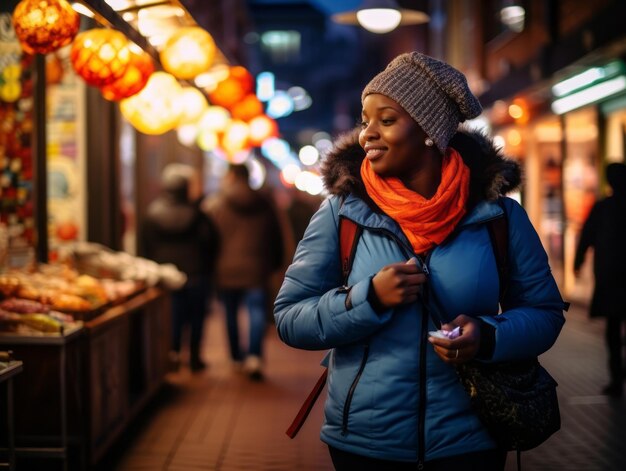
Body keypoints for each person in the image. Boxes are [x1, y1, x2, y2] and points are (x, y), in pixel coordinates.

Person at [274, 52, 567, 470]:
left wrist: (486, 336)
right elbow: (289, 317)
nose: (366, 135)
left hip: (470, 440)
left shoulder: (499, 217)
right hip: (366, 443)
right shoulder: (343, 214)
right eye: (364, 121)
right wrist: (368, 299)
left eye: (386, 120)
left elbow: (545, 313)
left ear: (430, 131)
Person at [203, 164, 284, 381]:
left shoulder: (217, 203)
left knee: (230, 313)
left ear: (231, 175)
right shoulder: (264, 202)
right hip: (257, 267)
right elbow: (275, 236)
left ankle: (236, 357)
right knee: (256, 310)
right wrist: (275, 263)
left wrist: (210, 265)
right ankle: (254, 357)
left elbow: (208, 239)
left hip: (225, 268)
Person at [142, 163, 220, 372]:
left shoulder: (152, 213)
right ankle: (194, 357)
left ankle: (173, 353)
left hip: (166, 274)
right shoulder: (198, 214)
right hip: (196, 273)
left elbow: (145, 245)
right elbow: (211, 242)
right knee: (197, 318)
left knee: (171, 317)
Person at [574, 162, 626, 397]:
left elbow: (586, 236)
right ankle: (618, 375)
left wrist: (578, 261)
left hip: (609, 277)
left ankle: (617, 377)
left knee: (613, 328)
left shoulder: (603, 208)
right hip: (615, 277)